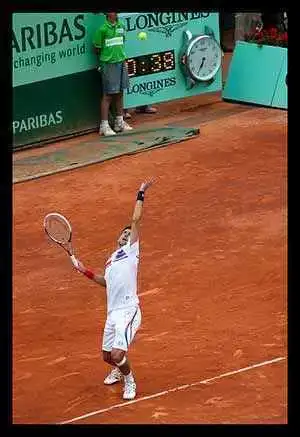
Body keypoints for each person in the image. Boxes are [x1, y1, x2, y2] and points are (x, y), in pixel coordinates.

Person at [70, 180, 154, 400]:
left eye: (129, 234)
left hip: (128, 310)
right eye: (123, 234)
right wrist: (83, 270)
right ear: (118, 238)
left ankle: (130, 380)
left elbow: (135, 219)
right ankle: (118, 368)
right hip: (112, 313)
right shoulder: (111, 260)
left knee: (118, 353)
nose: (126, 235)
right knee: (108, 356)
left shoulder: (132, 250)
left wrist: (141, 193)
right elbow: (106, 282)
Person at [93, 12, 132, 136]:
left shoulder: (121, 26)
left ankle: (119, 122)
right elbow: (97, 49)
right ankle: (104, 126)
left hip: (121, 62)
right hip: (108, 64)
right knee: (108, 95)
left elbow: (121, 43)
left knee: (120, 92)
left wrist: (121, 59)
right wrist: (103, 63)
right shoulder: (102, 30)